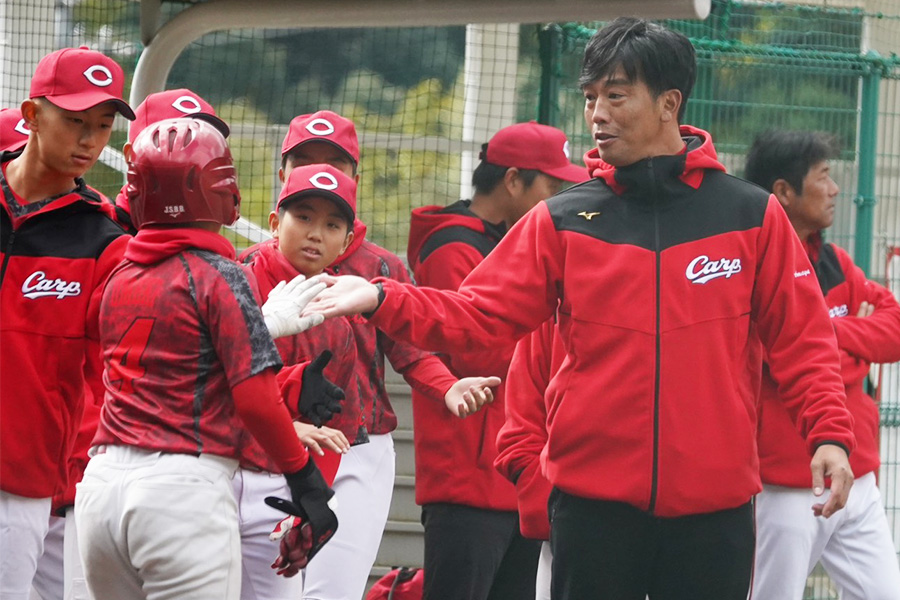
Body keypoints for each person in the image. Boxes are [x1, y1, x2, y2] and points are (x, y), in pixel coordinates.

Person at [304, 17, 858, 600]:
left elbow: (803, 340)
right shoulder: (561, 220)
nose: (597, 113)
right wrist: (381, 296)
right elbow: (476, 315)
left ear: (670, 103)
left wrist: (829, 436)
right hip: (590, 513)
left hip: (715, 511)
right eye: (591, 97)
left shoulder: (750, 216)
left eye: (616, 96)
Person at [240, 111, 499, 600]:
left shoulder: (380, 266)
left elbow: (411, 350)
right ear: (282, 178)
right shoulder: (244, 270)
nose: (323, 170)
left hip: (356, 450)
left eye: (335, 163)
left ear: (354, 178)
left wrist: (448, 386)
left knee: (328, 593)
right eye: (306, 160)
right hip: (268, 448)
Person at [74, 117, 337, 600]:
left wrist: (262, 326)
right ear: (222, 191)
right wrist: (304, 478)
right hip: (181, 493)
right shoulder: (220, 274)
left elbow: (186, 357)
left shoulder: (117, 274)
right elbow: (254, 400)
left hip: (100, 490)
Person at [405, 121, 587, 600]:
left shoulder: (509, 243)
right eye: (551, 184)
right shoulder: (453, 245)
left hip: (512, 475)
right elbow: (476, 349)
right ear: (512, 180)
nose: (558, 196)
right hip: (466, 476)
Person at [0, 46, 135, 600]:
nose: (89, 140)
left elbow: (119, 369)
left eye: (102, 126)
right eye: (75, 121)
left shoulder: (105, 238)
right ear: (31, 116)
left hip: (23, 487)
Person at [744, 130, 900, 600]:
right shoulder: (753, 265)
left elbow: (893, 331)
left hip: (859, 474)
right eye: (824, 177)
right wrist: (851, 346)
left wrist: (826, 334)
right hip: (789, 484)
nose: (835, 189)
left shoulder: (835, 261)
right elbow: (776, 356)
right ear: (783, 192)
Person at [494, 319, 565, 600]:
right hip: (569, 525)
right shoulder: (556, 308)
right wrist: (555, 509)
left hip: (686, 530)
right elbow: (521, 428)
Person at [113, 87, 231, 233]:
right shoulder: (100, 234)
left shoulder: (207, 225)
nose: (191, 156)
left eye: (203, 144)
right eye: (174, 138)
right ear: (131, 155)